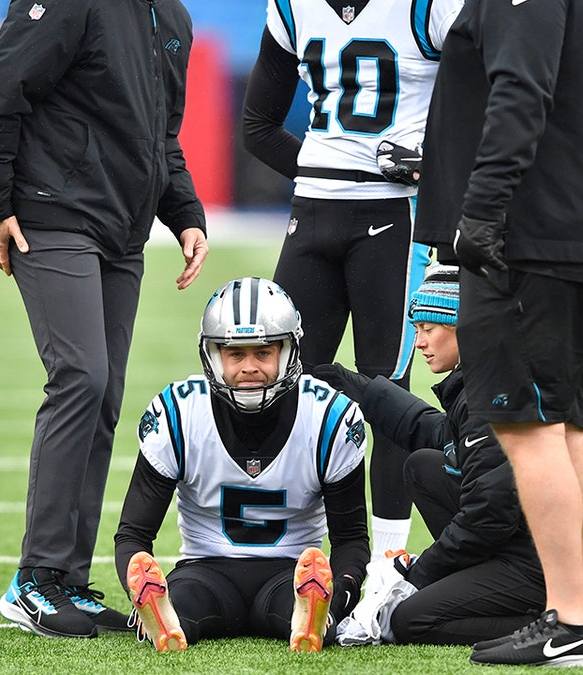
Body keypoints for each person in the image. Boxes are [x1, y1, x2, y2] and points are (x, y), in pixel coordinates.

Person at [0, 0, 209, 640]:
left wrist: (185, 212)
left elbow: (161, 137)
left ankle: (67, 578)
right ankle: (34, 579)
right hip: (51, 214)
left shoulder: (173, 18)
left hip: (123, 233)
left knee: (103, 398)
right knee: (80, 379)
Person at [412, 0, 583, 664]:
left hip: (529, 237)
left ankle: (569, 621)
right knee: (568, 427)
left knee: (528, 429)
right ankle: (573, 607)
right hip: (578, 228)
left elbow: (520, 91)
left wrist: (478, 211)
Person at [240, 0, 463, 583]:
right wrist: (323, 163)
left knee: (386, 390)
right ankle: (293, 549)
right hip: (313, 213)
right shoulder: (292, 6)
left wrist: (436, 162)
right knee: (285, 383)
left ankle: (387, 567)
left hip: (395, 217)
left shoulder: (430, 6)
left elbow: (493, 94)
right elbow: (257, 127)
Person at [313, 265, 583, 650]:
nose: (420, 343)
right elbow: (442, 436)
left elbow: (489, 515)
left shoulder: (494, 396)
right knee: (424, 468)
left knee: (410, 619)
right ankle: (522, 591)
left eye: (428, 330)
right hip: (536, 533)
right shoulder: (488, 376)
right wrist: (366, 394)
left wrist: (418, 574)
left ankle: (574, 616)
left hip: (569, 549)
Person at [113, 277, 370, 652]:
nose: (249, 367)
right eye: (236, 354)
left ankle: (312, 614)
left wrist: (339, 595)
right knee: (183, 604)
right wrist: (137, 579)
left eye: (263, 352)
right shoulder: (179, 413)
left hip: (292, 574)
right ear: (213, 356)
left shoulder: (328, 416)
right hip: (205, 568)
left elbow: (350, 540)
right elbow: (133, 535)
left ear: (288, 353)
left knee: (306, 615)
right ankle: (163, 613)